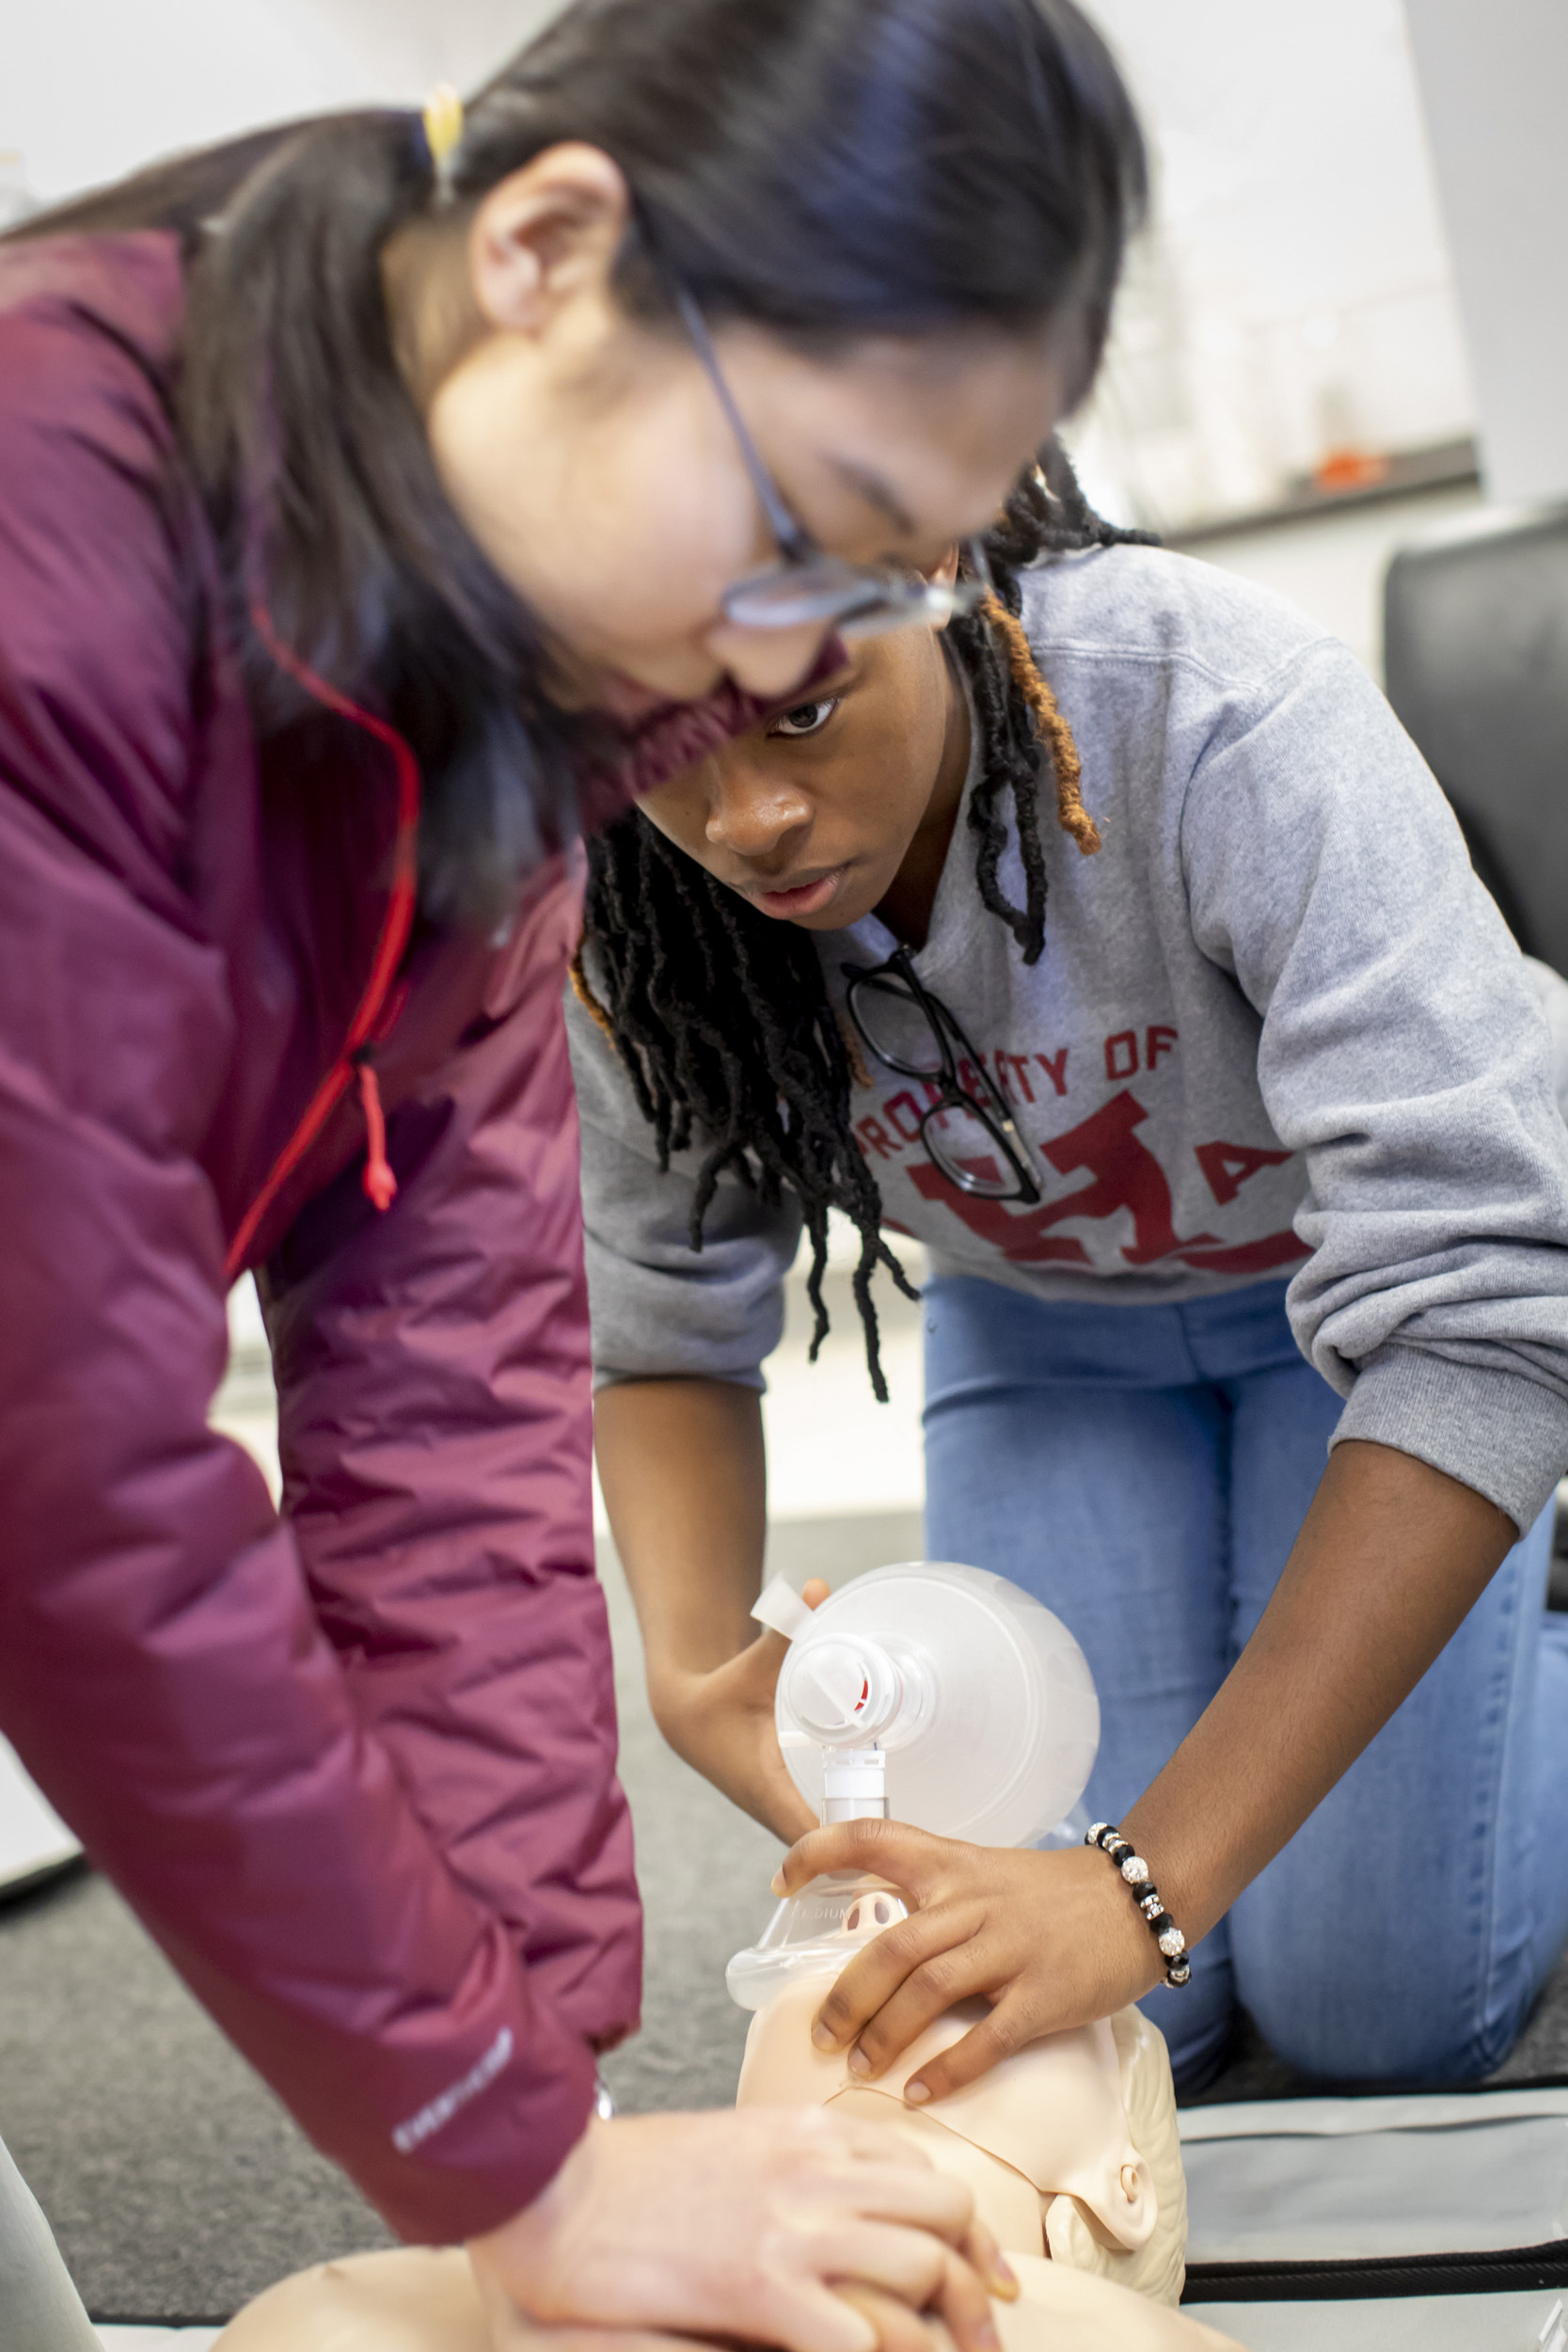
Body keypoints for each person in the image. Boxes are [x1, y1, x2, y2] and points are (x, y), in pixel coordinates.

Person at [0, 1, 1148, 2344]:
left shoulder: (505, 693)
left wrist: (553, 2093)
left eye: (888, 584)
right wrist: (510, 2164)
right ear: (546, 252)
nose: (800, 660)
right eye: (807, 529)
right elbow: (76, 1480)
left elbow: (449, 1380)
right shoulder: (53, 584)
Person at [571, 466, 1568, 2101]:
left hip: (1384, 1313)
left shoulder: (1221, 715)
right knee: (1095, 2018)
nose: (744, 821)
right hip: (1044, 1334)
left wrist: (1140, 1885)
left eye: (805, 712)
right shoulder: (627, 893)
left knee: (1371, 2012)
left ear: (935, 558)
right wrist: (689, 1669)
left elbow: (1483, 1304)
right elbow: (658, 1309)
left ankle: (1525, 1608)